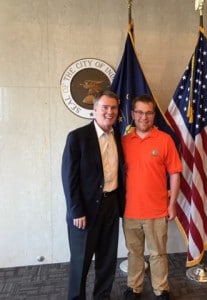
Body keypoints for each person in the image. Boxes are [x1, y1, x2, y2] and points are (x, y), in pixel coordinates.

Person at [61, 90, 125, 300]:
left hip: (111, 206)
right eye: (105, 107)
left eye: (113, 108)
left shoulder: (119, 137)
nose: (109, 112)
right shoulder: (78, 137)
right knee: (81, 262)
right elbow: (69, 178)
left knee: (107, 260)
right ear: (95, 109)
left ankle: (102, 296)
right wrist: (76, 210)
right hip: (84, 211)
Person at [122, 95, 182, 300]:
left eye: (148, 112)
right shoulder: (124, 142)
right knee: (134, 253)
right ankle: (134, 287)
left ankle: (161, 289)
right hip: (129, 211)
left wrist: (172, 204)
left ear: (154, 115)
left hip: (157, 210)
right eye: (139, 112)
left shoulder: (165, 140)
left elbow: (175, 173)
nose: (143, 117)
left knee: (157, 254)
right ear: (132, 114)